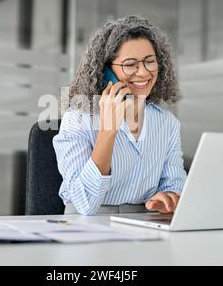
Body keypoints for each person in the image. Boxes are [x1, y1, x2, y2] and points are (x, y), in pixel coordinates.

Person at [52, 15, 187, 215]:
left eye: (150, 62)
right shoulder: (78, 119)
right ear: (105, 71)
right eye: (130, 64)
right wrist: (108, 130)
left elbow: (174, 184)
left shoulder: (167, 123)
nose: (143, 72)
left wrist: (169, 197)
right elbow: (85, 204)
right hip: (88, 225)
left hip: (145, 222)